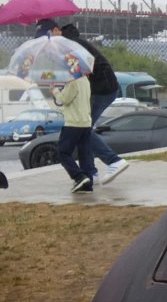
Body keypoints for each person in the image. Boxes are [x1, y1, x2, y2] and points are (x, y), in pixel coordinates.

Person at [37, 20, 130, 182]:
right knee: (83, 132)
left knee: (83, 129)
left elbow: (78, 74)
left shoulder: (71, 45)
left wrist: (59, 89)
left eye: (47, 36)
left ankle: (113, 161)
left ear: (57, 31)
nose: (46, 42)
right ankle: (90, 172)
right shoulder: (67, 46)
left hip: (103, 88)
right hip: (99, 88)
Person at [53, 68, 95, 194]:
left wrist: (54, 91)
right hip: (86, 122)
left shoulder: (73, 81)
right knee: (84, 153)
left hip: (73, 123)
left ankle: (79, 177)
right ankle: (88, 183)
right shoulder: (85, 80)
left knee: (63, 153)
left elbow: (64, 99)